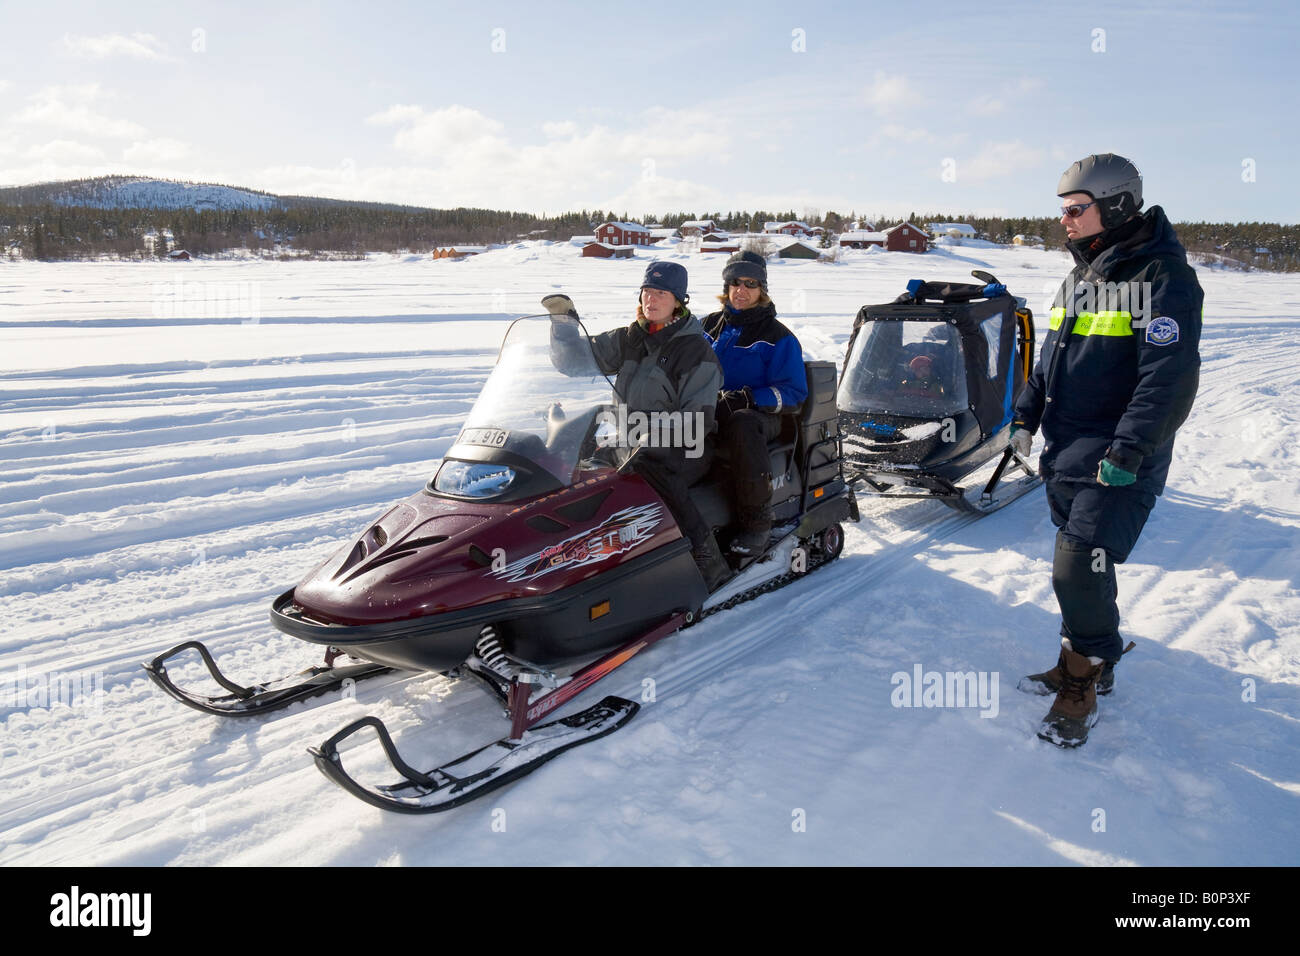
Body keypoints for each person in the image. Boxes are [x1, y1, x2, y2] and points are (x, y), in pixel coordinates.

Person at [1010, 153, 1202, 748]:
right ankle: (1090, 658)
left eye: (1075, 209)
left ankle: (1082, 685)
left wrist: (1130, 450)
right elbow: (1051, 359)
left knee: (1076, 566)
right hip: (1067, 451)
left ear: (1115, 203)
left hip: (1119, 457)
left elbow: (1167, 378)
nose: (1064, 220)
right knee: (1086, 571)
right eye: (1062, 210)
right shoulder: (1084, 276)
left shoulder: (1162, 278)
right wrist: (1024, 417)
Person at [545, 262, 731, 589]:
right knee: (582, 460)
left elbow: (697, 421)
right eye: (647, 291)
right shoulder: (631, 338)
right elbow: (573, 362)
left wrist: (648, 435)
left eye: (661, 293)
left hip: (686, 446)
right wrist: (563, 324)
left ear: (678, 300)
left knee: (648, 467)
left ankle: (706, 556)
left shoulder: (695, 351)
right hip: (632, 439)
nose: (651, 299)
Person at [701, 250, 808, 556]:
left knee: (742, 423)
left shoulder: (778, 337)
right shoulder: (707, 327)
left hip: (761, 418)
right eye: (735, 282)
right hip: (709, 410)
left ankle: (757, 523)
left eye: (750, 283)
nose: (741, 290)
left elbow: (794, 393)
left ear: (762, 289)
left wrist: (749, 397)